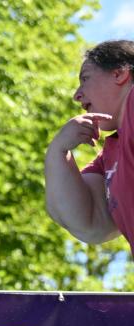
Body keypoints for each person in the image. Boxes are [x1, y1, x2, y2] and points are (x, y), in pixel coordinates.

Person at [45, 40, 134, 249]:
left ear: (119, 74)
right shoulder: (110, 156)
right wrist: (58, 151)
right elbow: (87, 223)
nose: (77, 95)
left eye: (85, 79)